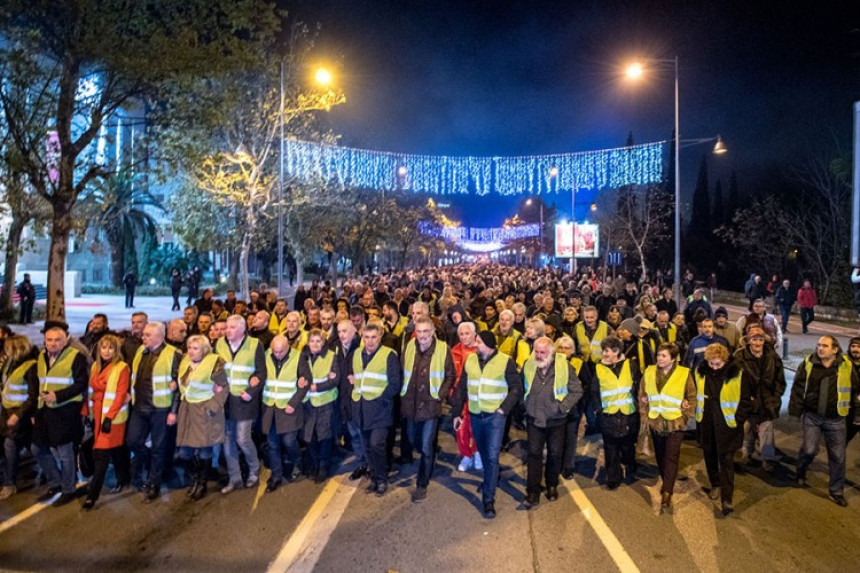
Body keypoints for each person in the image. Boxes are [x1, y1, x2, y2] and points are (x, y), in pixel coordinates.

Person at [451, 330, 522, 518]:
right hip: (475, 415)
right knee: (483, 452)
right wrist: (456, 413)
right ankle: (490, 479)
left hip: (495, 417)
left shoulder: (505, 361)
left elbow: (516, 388)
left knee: (491, 456)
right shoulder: (471, 360)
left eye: (479, 341)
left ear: (489, 345)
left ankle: (488, 500)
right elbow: (461, 389)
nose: (476, 344)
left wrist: (503, 409)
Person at [790, 336, 860, 507]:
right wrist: (795, 412)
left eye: (825, 346)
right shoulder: (808, 363)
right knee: (809, 450)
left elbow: (856, 392)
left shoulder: (846, 365)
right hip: (812, 417)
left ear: (835, 349)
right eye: (819, 345)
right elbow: (798, 388)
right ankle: (800, 470)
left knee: (838, 456)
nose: (820, 348)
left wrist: (857, 414)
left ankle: (836, 491)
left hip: (836, 420)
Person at [522, 337, 583, 507]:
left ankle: (551, 485)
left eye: (542, 352)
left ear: (551, 352)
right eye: (536, 352)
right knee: (534, 454)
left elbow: (577, 390)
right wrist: (525, 405)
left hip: (556, 420)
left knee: (555, 454)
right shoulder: (529, 364)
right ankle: (533, 491)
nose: (539, 356)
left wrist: (562, 408)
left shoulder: (564, 366)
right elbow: (522, 387)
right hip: (534, 418)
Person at [400, 316, 456, 502]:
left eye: (426, 331)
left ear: (432, 332)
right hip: (411, 404)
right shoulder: (409, 346)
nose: (422, 335)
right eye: (419, 331)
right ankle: (431, 455)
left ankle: (422, 484)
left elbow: (450, 375)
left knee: (425, 446)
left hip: (430, 404)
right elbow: (403, 370)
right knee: (413, 440)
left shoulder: (442, 349)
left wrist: (440, 394)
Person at [33, 320, 89, 507]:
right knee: (38, 449)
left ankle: (68, 489)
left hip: (65, 411)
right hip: (44, 410)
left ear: (65, 340)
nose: (52, 343)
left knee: (65, 453)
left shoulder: (76, 357)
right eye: (49, 340)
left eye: (57, 340)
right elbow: (40, 384)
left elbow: (81, 384)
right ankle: (55, 482)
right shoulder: (41, 357)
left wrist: (57, 396)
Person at [695, 343, 752, 516]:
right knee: (709, 455)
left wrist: (739, 418)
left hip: (727, 425)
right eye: (711, 364)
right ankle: (715, 485)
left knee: (726, 461)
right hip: (706, 423)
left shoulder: (738, 374)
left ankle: (727, 498)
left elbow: (745, 400)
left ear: (725, 361)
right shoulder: (700, 371)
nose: (714, 367)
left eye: (717, 364)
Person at [127, 322, 180, 503]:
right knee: (133, 441)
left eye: (148, 335)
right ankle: (153, 466)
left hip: (160, 408)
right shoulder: (141, 351)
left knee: (159, 447)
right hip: (140, 406)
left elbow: (178, 386)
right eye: (144, 335)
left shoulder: (173, 354)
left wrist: (174, 411)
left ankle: (154, 482)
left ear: (160, 336)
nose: (144, 338)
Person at [347, 322, 402, 497]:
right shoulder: (356, 354)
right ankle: (375, 477)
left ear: (380, 337)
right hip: (361, 409)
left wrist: (381, 398)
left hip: (380, 409)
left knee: (376, 445)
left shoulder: (389, 355)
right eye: (367, 337)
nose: (370, 341)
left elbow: (395, 383)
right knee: (367, 447)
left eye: (374, 337)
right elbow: (357, 377)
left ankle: (382, 478)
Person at [639, 342, 695, 514]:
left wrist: (685, 416)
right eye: (658, 355)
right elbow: (642, 394)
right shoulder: (649, 372)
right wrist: (645, 413)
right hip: (656, 422)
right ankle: (667, 480)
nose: (659, 359)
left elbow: (692, 397)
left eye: (664, 356)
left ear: (673, 358)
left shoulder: (684, 374)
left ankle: (667, 493)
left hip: (675, 424)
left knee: (671, 456)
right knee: (661, 457)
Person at [216, 315, 265, 494]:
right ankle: (234, 477)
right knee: (227, 440)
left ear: (242, 329)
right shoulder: (220, 344)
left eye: (232, 328)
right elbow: (216, 369)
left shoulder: (255, 344)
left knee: (242, 439)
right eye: (227, 327)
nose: (228, 331)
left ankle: (253, 470)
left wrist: (251, 392)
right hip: (226, 400)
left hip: (245, 400)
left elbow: (261, 372)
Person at [175, 335, 228, 501]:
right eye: (190, 348)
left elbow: (224, 387)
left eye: (195, 348)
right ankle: (195, 479)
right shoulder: (185, 361)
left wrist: (212, 406)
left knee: (205, 449)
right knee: (185, 452)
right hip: (188, 410)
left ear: (204, 349)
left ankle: (202, 483)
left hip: (204, 410)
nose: (191, 351)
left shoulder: (215, 363)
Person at [83, 334, 131, 509]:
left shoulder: (121, 367)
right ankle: (124, 477)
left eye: (110, 348)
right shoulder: (96, 365)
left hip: (113, 418)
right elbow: (90, 390)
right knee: (117, 450)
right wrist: (87, 413)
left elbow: (119, 395)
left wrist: (109, 417)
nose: (106, 351)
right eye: (103, 347)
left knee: (102, 455)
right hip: (97, 415)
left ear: (116, 350)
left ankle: (92, 495)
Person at [589, 336, 640, 491]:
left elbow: (638, 385)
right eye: (603, 350)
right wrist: (598, 409)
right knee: (610, 448)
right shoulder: (598, 368)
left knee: (627, 445)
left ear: (617, 351)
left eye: (607, 351)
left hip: (628, 414)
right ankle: (613, 477)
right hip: (608, 415)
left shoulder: (630, 365)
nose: (604, 354)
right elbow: (594, 391)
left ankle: (630, 464)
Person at [734, 327, 786, 472]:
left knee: (767, 430)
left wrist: (775, 398)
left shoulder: (772, 356)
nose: (757, 343)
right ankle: (745, 455)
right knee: (747, 430)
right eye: (754, 339)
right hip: (746, 402)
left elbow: (779, 380)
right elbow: (733, 381)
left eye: (760, 339)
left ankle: (768, 459)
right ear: (748, 341)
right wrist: (743, 398)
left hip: (767, 401)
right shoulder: (739, 357)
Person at [261, 335, 309, 492]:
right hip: (270, 407)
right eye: (275, 351)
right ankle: (276, 476)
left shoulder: (298, 357)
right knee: (273, 444)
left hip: (289, 408)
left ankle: (297, 462)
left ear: (288, 347)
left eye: (281, 351)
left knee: (289, 441)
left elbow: (305, 381)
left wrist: (294, 403)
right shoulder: (266, 355)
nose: (278, 354)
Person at [0, 335, 39, 500]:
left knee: (10, 444)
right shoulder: (9, 363)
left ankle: (9, 483)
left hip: (20, 413)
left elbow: (33, 395)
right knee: (30, 444)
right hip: (7, 411)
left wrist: (18, 414)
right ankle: (48, 469)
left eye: (9, 348)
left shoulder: (31, 366)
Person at [302, 329, 340, 483]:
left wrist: (317, 386)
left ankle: (323, 467)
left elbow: (335, 380)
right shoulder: (303, 357)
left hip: (326, 402)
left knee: (324, 436)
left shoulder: (331, 356)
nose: (315, 344)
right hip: (308, 403)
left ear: (323, 342)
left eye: (318, 341)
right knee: (309, 436)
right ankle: (315, 463)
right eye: (312, 341)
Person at [451, 321, 481, 472]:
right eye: (461, 334)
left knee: (476, 426)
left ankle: (477, 452)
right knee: (461, 428)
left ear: (474, 334)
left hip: (477, 395)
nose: (464, 337)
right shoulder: (454, 351)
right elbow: (449, 374)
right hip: (459, 396)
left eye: (467, 333)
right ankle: (466, 455)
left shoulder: (481, 350)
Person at [554, 336, 584, 478]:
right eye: (560, 347)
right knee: (556, 439)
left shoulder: (579, 364)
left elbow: (587, 385)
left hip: (572, 408)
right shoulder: (550, 363)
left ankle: (568, 467)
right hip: (555, 409)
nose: (563, 351)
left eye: (567, 348)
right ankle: (556, 464)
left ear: (572, 350)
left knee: (570, 439)